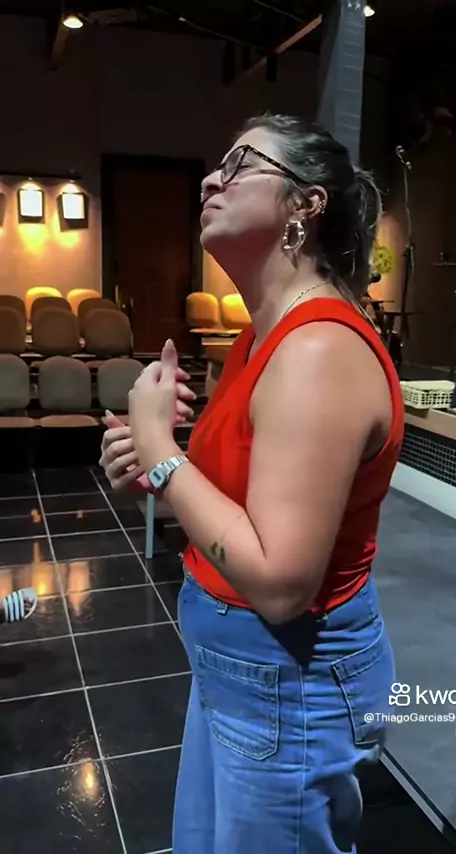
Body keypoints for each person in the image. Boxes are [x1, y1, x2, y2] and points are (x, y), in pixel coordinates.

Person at [100, 113, 404, 854]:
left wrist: (159, 449)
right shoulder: (260, 336)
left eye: (241, 163)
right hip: (243, 670)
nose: (212, 178)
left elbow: (279, 582)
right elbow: (236, 503)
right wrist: (153, 466)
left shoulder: (317, 348)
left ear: (306, 204)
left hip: (287, 680)